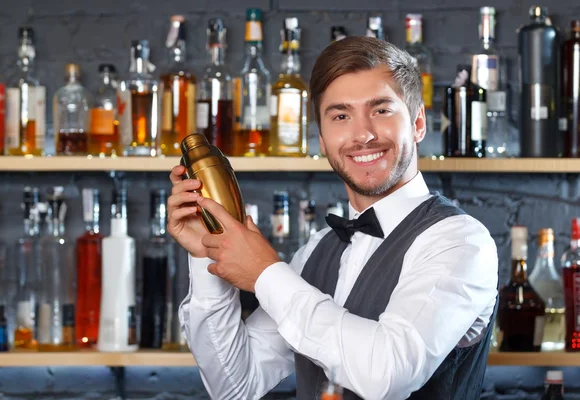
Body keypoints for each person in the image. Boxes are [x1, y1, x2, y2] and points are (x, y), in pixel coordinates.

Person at [167, 36, 499, 400]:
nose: (362, 134)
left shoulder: (460, 242)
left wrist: (264, 273)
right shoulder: (315, 252)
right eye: (341, 115)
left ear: (418, 123)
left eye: (382, 110)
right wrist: (207, 253)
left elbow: (387, 375)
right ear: (322, 140)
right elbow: (236, 385)